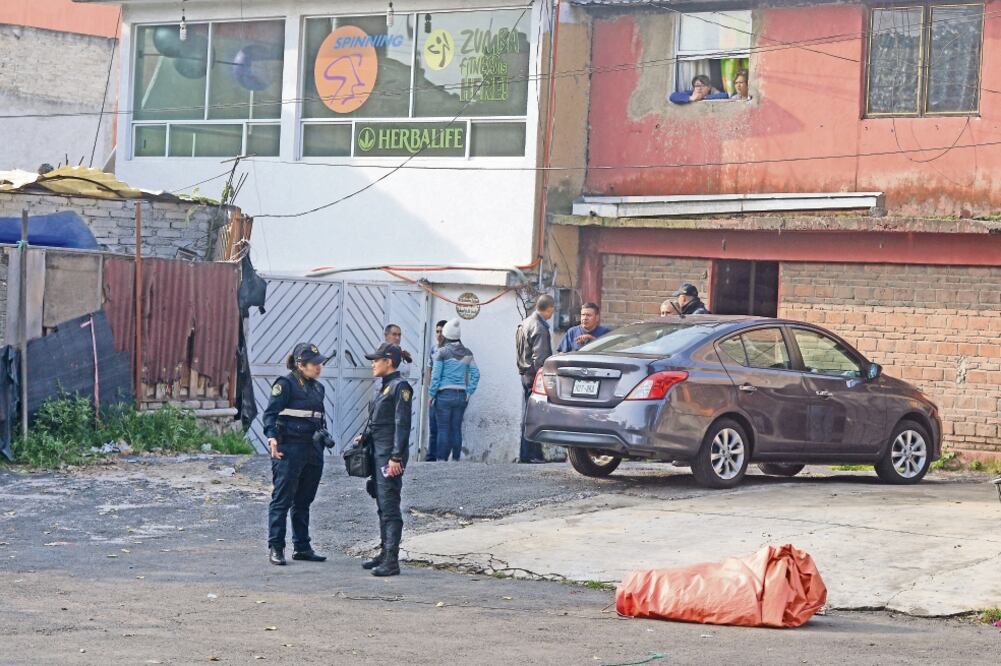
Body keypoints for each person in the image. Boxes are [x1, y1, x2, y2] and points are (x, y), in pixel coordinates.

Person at [262, 342, 329, 566]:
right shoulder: (285, 384)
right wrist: (272, 438)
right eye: (314, 364)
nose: (319, 368)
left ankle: (302, 547)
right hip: (289, 449)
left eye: (320, 363)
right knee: (282, 499)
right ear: (300, 364)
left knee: (304, 500)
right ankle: (276, 547)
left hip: (312, 450)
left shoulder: (318, 388)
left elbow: (319, 419)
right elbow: (270, 414)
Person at [359, 342, 412, 577]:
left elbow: (402, 424)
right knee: (382, 505)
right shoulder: (386, 387)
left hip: (389, 456)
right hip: (378, 454)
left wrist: (396, 457)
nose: (373, 363)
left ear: (388, 361)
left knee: (390, 507)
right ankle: (384, 552)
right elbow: (382, 421)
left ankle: (392, 560)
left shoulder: (400, 387)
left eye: (376, 359)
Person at [429, 319, 480, 461]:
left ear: (446, 335)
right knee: (456, 428)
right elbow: (476, 374)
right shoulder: (468, 353)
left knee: (443, 429)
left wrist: (431, 394)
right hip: (461, 396)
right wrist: (469, 392)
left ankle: (441, 460)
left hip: (444, 395)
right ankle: (456, 459)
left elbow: (435, 376)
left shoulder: (442, 352)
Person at [516, 295, 555, 463]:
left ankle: (533, 454)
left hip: (524, 374)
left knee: (529, 414)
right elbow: (540, 359)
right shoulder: (539, 327)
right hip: (534, 376)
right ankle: (530, 455)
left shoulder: (524, 323)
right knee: (534, 416)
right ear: (549, 309)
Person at [424, 320, 448, 462]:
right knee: (433, 426)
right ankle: (431, 456)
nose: (439, 335)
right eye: (437, 331)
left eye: (442, 332)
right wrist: (429, 390)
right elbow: (429, 370)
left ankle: (441, 457)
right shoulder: (433, 349)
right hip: (434, 393)